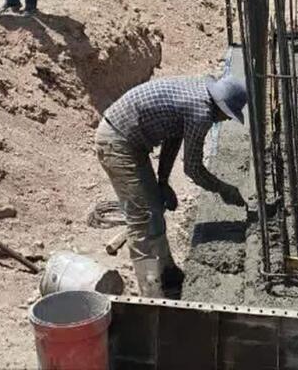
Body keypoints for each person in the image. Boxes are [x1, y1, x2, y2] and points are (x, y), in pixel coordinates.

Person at [96, 74, 248, 298]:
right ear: (220, 107)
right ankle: (152, 294)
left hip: (129, 138)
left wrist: (163, 181)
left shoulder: (197, 93)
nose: (225, 121)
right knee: (143, 219)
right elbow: (193, 169)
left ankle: (168, 274)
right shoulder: (201, 112)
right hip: (117, 141)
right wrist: (225, 189)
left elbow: (173, 136)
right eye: (227, 116)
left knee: (155, 206)